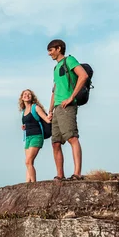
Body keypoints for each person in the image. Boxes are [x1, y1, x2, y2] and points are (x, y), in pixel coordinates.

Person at [46, 39, 89, 181]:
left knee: (72, 137)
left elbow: (83, 76)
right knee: (55, 143)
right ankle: (60, 175)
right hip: (57, 108)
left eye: (51, 50)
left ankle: (77, 173)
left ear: (58, 49)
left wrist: (71, 97)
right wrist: (50, 110)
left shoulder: (69, 60)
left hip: (67, 106)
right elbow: (55, 90)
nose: (49, 53)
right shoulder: (56, 68)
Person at [19, 89, 51, 182]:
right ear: (22, 97)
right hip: (27, 138)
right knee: (29, 163)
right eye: (25, 94)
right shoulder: (23, 111)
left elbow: (46, 119)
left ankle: (33, 184)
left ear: (32, 97)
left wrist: (50, 117)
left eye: (29, 94)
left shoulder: (35, 107)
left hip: (37, 136)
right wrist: (24, 126)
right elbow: (29, 122)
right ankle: (27, 184)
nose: (27, 95)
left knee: (28, 161)